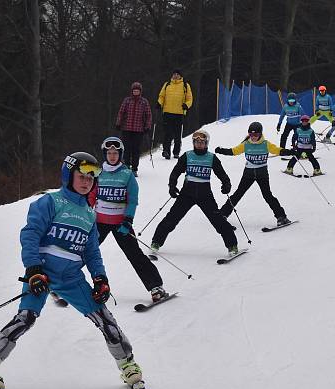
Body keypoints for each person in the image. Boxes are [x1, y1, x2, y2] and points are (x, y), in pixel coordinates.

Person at [0, 152, 145, 389]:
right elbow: (30, 235)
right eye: (81, 177)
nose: (86, 183)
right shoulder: (50, 203)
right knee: (25, 318)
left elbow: (91, 252)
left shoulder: (90, 214)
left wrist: (100, 278)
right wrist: (34, 269)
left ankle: (127, 364)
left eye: (90, 179)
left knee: (105, 319)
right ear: (69, 176)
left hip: (72, 280)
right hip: (42, 275)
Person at [88, 137, 168, 303]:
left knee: (135, 255)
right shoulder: (98, 173)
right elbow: (91, 195)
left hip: (120, 224)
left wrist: (128, 220)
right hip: (99, 223)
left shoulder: (127, 174)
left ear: (120, 154)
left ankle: (156, 287)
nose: (112, 156)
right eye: (109, 153)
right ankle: (60, 284)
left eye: (115, 153)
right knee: (84, 251)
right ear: (105, 154)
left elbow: (132, 199)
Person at [150, 130, 239, 257]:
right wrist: (172, 186)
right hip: (187, 194)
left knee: (218, 220)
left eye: (202, 142)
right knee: (172, 218)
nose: (199, 144)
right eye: (196, 142)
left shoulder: (211, 157)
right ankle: (156, 242)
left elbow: (222, 174)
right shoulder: (187, 156)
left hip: (205, 195)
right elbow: (175, 172)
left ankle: (232, 245)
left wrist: (226, 184)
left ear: (206, 143)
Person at [215, 121, 293, 227]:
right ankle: (223, 214)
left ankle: (281, 217)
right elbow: (234, 151)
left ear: (260, 134)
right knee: (238, 194)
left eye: (255, 134)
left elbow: (277, 150)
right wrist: (222, 150)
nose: (253, 137)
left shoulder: (266, 144)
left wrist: (289, 152)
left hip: (262, 174)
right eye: (251, 134)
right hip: (248, 174)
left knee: (267, 195)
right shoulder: (246, 144)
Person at [115, 82, 152, 176]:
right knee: (127, 148)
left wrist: (147, 126)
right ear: (132, 91)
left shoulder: (144, 102)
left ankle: (134, 168)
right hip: (126, 128)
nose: (136, 92)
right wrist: (118, 123)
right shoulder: (127, 101)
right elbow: (121, 112)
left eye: (137, 91)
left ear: (140, 92)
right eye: (134, 91)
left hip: (138, 130)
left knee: (136, 149)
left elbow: (148, 115)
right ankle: (127, 166)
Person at [157, 69, 193, 159]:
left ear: (180, 76)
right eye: (174, 74)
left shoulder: (185, 85)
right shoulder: (167, 84)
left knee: (177, 134)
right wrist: (159, 103)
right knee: (167, 133)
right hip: (167, 112)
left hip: (179, 113)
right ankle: (166, 151)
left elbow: (190, 98)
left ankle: (176, 152)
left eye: (177, 74)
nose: (175, 76)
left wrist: (186, 105)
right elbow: (161, 96)